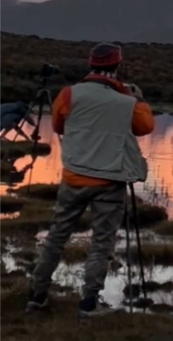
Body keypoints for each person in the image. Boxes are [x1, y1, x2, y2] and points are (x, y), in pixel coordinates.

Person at [26, 43, 155, 318]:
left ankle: (36, 295)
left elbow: (59, 125)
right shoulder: (127, 101)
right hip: (109, 181)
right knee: (101, 242)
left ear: (90, 64)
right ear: (117, 66)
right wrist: (139, 99)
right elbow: (145, 127)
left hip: (73, 177)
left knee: (56, 236)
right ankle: (88, 303)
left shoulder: (69, 94)